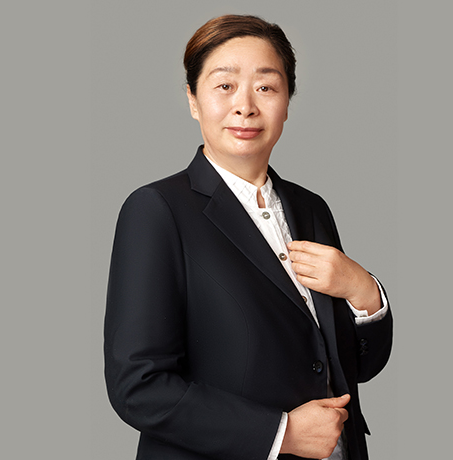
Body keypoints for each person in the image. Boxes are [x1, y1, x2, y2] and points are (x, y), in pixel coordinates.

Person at [104, 14, 392, 460]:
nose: (245, 106)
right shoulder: (156, 210)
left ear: (288, 101)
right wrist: (282, 433)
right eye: (224, 85)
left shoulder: (311, 208)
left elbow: (354, 367)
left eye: (266, 87)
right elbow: (138, 387)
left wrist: (363, 291)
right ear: (193, 100)